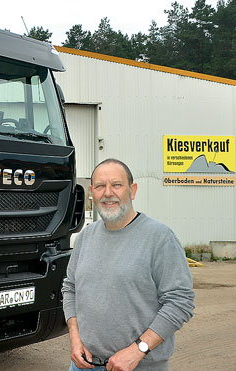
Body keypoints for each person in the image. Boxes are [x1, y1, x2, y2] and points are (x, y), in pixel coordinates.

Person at [62, 159, 194, 371]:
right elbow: (70, 289)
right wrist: (75, 339)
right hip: (83, 365)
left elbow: (180, 302)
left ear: (132, 190)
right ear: (91, 192)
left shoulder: (159, 238)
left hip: (138, 366)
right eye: (100, 186)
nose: (107, 193)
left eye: (116, 185)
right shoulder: (85, 237)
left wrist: (138, 349)